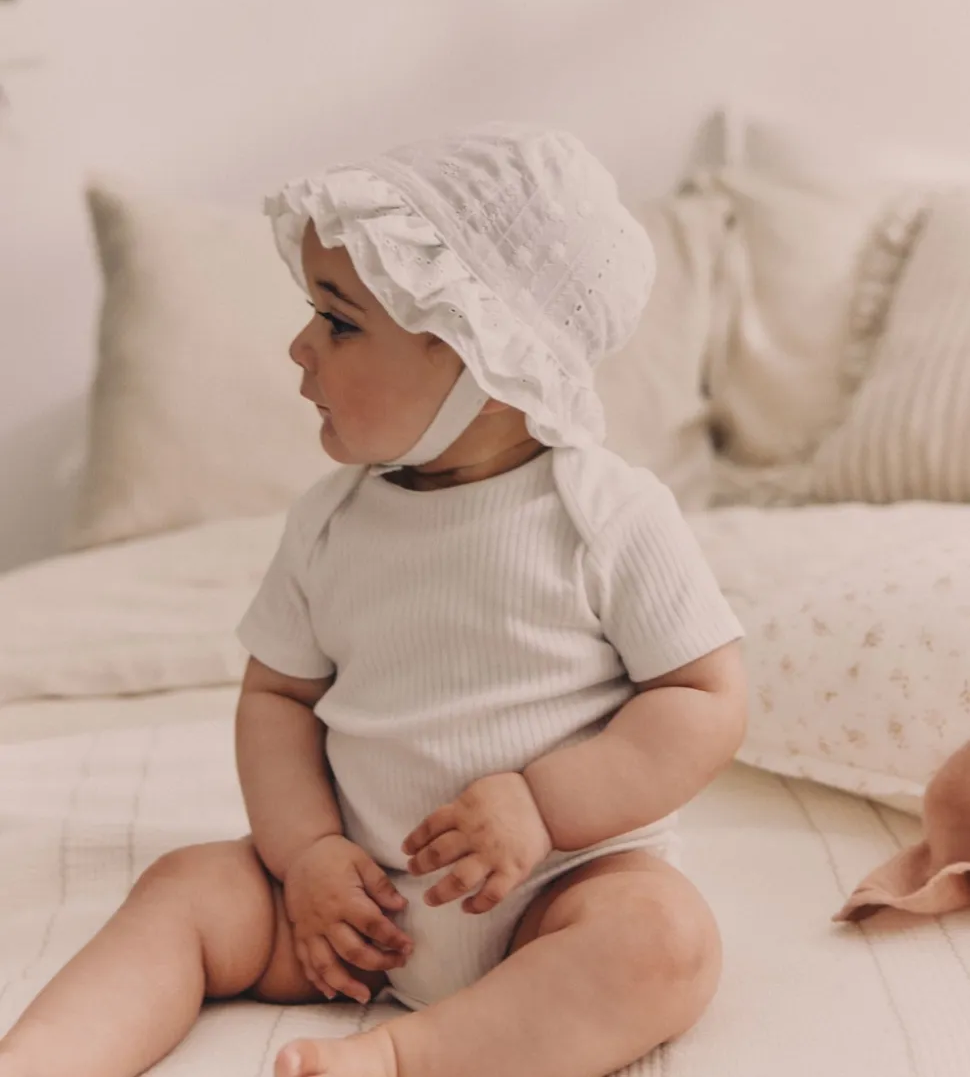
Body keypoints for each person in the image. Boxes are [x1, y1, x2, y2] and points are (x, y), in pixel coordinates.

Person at [0, 123, 746, 1077]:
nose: (300, 347)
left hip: (552, 889)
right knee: (188, 885)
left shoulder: (606, 514)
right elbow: (277, 699)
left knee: (664, 942)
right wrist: (308, 852)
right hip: (356, 912)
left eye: (340, 322)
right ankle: (45, 1058)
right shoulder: (331, 522)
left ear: (488, 362)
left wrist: (547, 807)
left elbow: (704, 698)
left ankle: (407, 1057)